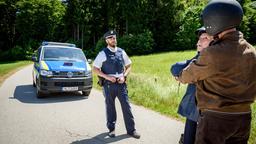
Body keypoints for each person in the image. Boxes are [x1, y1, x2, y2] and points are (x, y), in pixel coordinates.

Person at [176, 0, 256, 143]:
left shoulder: (214, 52)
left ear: (216, 19)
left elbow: (188, 75)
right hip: (244, 117)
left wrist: (180, 76)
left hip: (216, 119)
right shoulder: (251, 50)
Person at [93, 30, 140, 139]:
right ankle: (111, 129)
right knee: (110, 108)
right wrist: (107, 77)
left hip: (121, 84)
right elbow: (95, 69)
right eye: (110, 38)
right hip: (108, 85)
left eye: (114, 37)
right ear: (106, 40)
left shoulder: (121, 51)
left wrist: (124, 76)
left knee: (127, 107)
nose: (113, 39)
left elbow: (129, 65)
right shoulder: (103, 53)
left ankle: (131, 130)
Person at [171, 27, 213, 144]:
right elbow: (174, 68)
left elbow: (176, 69)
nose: (198, 42)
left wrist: (182, 76)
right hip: (193, 108)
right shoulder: (198, 58)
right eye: (199, 39)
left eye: (204, 38)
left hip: (208, 110)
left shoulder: (212, 59)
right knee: (189, 136)